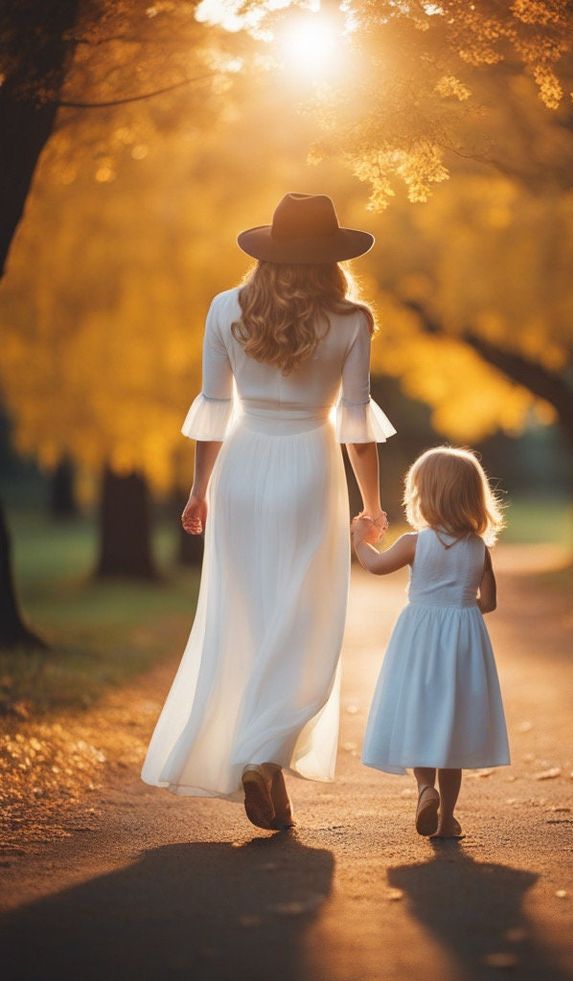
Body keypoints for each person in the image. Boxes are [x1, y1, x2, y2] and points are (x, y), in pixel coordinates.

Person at [141, 193, 395, 831]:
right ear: (333, 258)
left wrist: (201, 489)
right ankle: (264, 754)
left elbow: (213, 410)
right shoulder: (352, 320)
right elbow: (356, 427)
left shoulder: (227, 310)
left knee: (248, 616)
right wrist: (372, 505)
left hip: (243, 469)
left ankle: (265, 767)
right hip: (310, 469)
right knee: (306, 620)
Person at [352, 446, 510, 838]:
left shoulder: (414, 544)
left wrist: (359, 539)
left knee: (419, 716)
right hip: (462, 639)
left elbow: (374, 565)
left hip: (418, 637)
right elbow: (488, 602)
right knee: (450, 725)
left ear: (424, 495)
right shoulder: (479, 550)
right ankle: (447, 820)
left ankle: (425, 789)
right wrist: (461, 610)